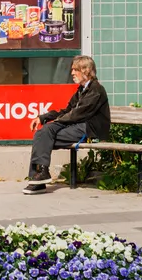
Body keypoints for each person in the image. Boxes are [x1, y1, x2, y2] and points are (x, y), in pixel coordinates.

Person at [24, 55, 110, 195]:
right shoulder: (81, 90)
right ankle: (39, 177)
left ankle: (39, 178)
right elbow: (67, 111)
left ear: (86, 71)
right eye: (72, 70)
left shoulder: (96, 90)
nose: (72, 73)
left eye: (75, 70)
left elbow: (78, 114)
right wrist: (43, 117)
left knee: (43, 137)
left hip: (90, 131)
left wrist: (56, 123)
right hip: (77, 126)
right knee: (42, 135)